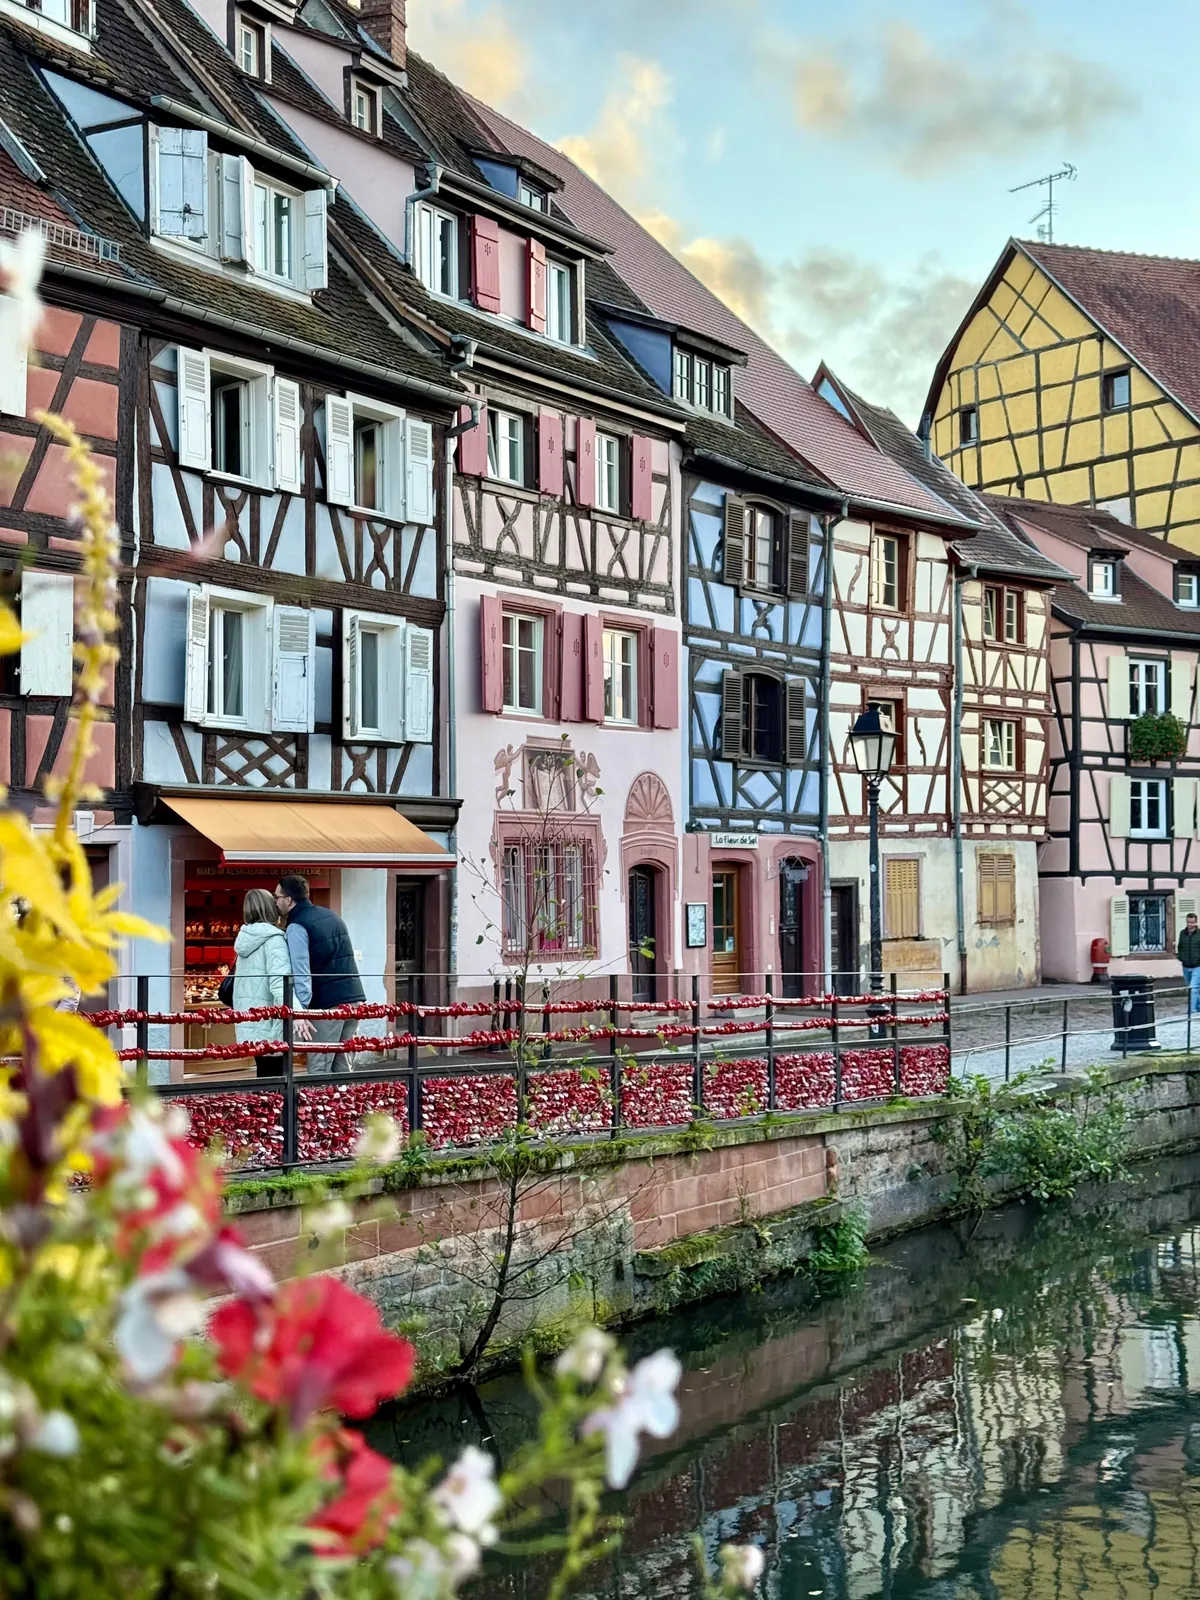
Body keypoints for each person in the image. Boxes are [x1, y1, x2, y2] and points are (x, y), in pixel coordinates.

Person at [274, 875, 365, 1074]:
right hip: (353, 998)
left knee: (319, 1066)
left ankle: (316, 1105)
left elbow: (302, 974)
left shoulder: (297, 926)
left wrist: (300, 1011)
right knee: (343, 1065)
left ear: (288, 900)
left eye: (277, 897)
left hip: (326, 1005)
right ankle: (344, 1105)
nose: (275, 902)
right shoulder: (331, 915)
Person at [232, 888, 292, 1077]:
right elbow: (280, 984)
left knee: (264, 1074)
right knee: (276, 1079)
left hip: (251, 1017)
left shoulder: (245, 939)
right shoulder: (274, 940)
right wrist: (294, 1014)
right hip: (270, 1020)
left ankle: (259, 1106)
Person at [1179, 911, 1200, 1015]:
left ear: (1196, 923)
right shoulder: (1182, 933)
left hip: (1197, 966)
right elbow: (1180, 947)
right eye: (1188, 922)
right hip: (1186, 966)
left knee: (1193, 988)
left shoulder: (1199, 934)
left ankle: (1192, 1011)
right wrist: (1181, 957)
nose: (1190, 925)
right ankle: (1198, 1007)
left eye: (1192, 922)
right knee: (1191, 989)